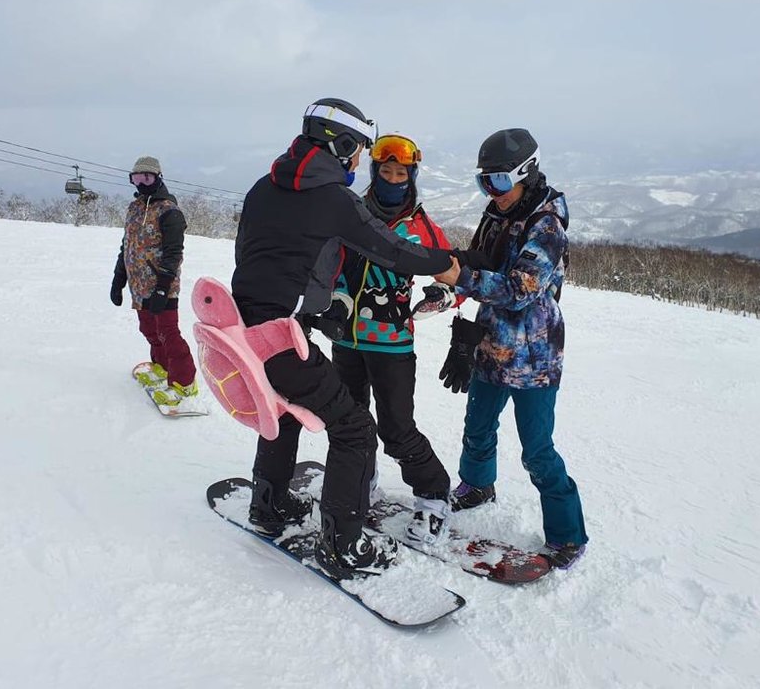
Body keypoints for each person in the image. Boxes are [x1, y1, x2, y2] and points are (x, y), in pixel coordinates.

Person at [230, 99, 459, 578]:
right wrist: (442, 265)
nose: (360, 166)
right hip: (292, 335)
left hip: (251, 332)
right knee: (356, 430)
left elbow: (263, 257)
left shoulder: (261, 188)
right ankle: (344, 546)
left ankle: (268, 506)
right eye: (361, 155)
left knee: (286, 409)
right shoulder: (334, 200)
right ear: (345, 146)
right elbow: (391, 250)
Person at [434, 128, 588, 570]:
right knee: (478, 426)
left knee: (536, 448)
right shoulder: (497, 215)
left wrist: (458, 278)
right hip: (492, 343)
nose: (492, 192)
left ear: (526, 174)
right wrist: (447, 291)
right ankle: (478, 485)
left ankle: (567, 535)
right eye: (485, 182)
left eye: (499, 182)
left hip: (535, 357)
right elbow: (480, 263)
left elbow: (521, 289)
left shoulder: (547, 224)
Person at [329, 134, 461, 545]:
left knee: (396, 428)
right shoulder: (350, 212)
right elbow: (329, 262)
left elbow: (453, 275)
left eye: (400, 174)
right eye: (385, 172)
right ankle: (360, 483)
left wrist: (442, 294)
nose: (392, 179)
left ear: (411, 177)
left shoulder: (420, 227)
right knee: (349, 424)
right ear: (374, 172)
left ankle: (434, 496)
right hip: (345, 339)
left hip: (392, 345)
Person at [110, 156, 198, 406]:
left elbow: (174, 254)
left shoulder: (169, 211)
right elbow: (127, 246)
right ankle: (162, 368)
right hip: (139, 286)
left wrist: (162, 288)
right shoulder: (134, 208)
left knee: (168, 333)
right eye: (136, 178)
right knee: (149, 330)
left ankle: (184, 383)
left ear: (158, 178)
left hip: (163, 286)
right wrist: (118, 279)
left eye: (146, 177)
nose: (141, 183)